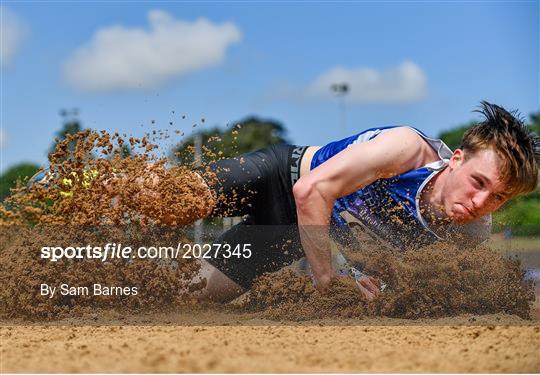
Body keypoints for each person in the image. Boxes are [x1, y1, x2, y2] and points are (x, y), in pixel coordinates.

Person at [188, 101, 539, 302]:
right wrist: (328, 281)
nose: (480, 202)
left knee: (192, 297)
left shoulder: (468, 235)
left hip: (296, 235)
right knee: (170, 198)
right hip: (284, 176)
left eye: (498, 197)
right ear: (457, 159)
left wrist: (373, 288)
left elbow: (417, 286)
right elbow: (311, 191)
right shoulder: (408, 151)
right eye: (478, 182)